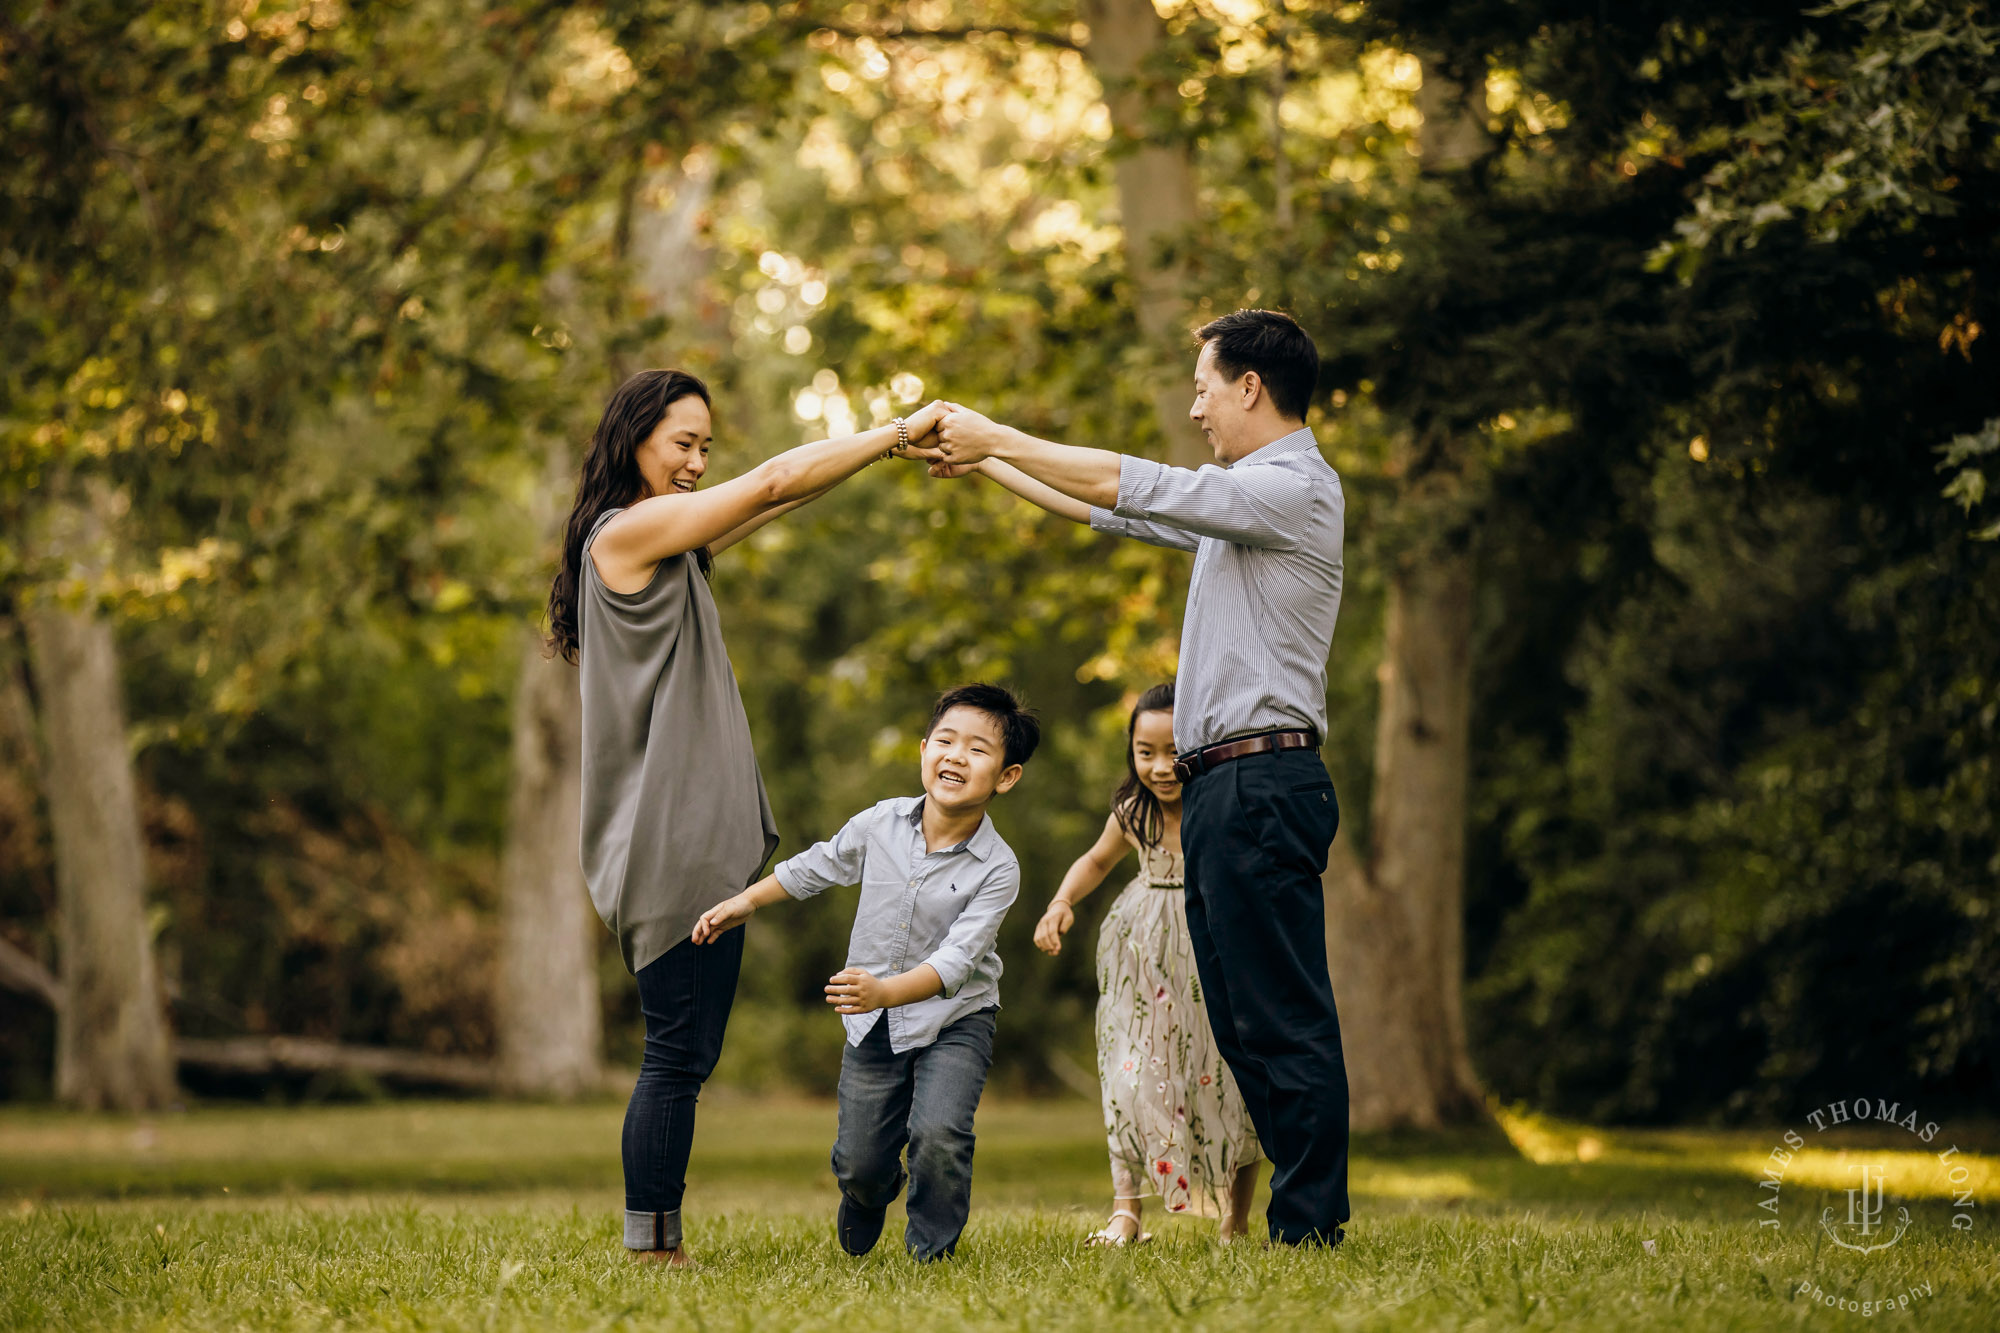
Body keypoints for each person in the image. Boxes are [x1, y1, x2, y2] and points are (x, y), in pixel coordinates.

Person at [930, 309, 1350, 1247]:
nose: (1195, 404)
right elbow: (1114, 506)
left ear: (1250, 385)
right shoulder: (1241, 506)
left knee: (1282, 1016)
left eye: (1203, 385)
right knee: (1243, 1019)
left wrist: (997, 429)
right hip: (1221, 792)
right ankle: (1302, 1216)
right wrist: (989, 465)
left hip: (1264, 783)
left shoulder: (1292, 488)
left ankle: (1311, 1224)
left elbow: (1139, 477)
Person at [547, 368, 946, 1266]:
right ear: (633, 439)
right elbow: (766, 482)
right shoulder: (626, 531)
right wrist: (891, 429)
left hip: (686, 838)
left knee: (683, 1052)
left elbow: (770, 502)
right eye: (681, 443)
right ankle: (652, 1247)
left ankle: (655, 1238)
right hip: (670, 842)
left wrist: (872, 458)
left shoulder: (668, 544)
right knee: (676, 1054)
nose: (695, 462)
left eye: (704, 448)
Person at [692, 683, 1040, 1263]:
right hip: (874, 1024)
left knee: (940, 1135)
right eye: (946, 741)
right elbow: (817, 866)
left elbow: (957, 962)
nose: (956, 756)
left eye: (978, 750)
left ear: (1006, 777)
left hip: (957, 1019)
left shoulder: (999, 868)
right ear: (924, 749)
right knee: (860, 1160)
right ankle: (868, 1192)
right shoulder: (881, 824)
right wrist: (745, 903)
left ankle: (932, 1251)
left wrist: (884, 989)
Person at [1034, 682, 1261, 1245]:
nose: (1161, 767)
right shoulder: (1132, 811)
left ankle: (1236, 1219)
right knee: (1130, 1075)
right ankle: (1127, 1212)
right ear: (1131, 751)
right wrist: (1061, 902)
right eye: (1145, 752)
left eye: (1174, 752)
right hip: (1143, 955)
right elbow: (1095, 859)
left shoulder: (1222, 805)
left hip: (1212, 949)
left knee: (1230, 1080)